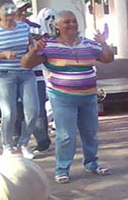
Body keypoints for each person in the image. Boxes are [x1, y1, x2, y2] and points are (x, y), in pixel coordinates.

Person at [22, 10, 114, 184]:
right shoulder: (48, 46)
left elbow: (108, 59)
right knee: (65, 136)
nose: (72, 24)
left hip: (88, 96)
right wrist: (33, 51)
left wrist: (103, 43)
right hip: (62, 98)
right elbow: (25, 64)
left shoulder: (89, 44)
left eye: (74, 21)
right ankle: (62, 169)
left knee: (90, 133)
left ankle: (92, 163)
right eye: (66, 22)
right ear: (56, 26)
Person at [0, 0, 40, 158]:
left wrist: (34, 50)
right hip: (3, 75)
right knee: (9, 113)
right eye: (5, 9)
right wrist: (3, 54)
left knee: (33, 112)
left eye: (12, 9)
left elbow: (30, 47)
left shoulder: (24, 27)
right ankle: (7, 146)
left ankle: (23, 144)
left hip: (26, 73)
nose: (10, 13)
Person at [14, 7, 52, 153]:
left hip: (35, 76)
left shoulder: (36, 28)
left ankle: (42, 141)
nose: (23, 14)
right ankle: (16, 142)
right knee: (15, 111)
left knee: (37, 111)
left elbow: (44, 48)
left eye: (25, 11)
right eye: (19, 11)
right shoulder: (2, 31)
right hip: (12, 77)